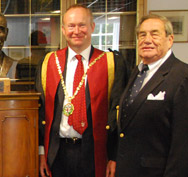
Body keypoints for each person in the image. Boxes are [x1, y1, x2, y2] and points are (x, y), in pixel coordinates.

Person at [36, 4, 129, 177]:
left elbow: (118, 113)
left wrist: (115, 157)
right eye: (71, 26)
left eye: (82, 25)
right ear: (64, 30)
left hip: (94, 154)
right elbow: (40, 112)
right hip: (56, 154)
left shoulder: (111, 63)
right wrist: (41, 152)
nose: (76, 31)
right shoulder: (48, 62)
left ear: (92, 27)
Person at [115, 14, 188, 177]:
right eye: (142, 34)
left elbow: (187, 147)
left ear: (170, 40)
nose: (147, 39)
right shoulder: (139, 72)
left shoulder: (184, 77)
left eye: (154, 34)